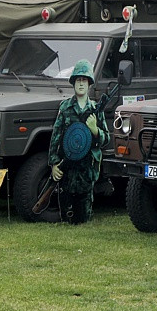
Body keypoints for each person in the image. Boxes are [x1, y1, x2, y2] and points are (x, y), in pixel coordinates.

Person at [47, 59, 109, 224]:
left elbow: (106, 139)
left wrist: (95, 129)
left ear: (89, 84)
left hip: (87, 169)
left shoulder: (95, 110)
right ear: (73, 83)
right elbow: (56, 137)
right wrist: (53, 164)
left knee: (83, 214)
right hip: (67, 168)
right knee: (66, 211)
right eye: (78, 80)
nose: (81, 84)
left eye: (84, 80)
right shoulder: (65, 108)